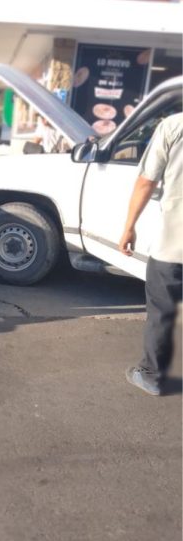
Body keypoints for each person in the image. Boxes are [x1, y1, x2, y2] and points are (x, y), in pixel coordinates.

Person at [119, 112, 182, 396]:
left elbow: (146, 181)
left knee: (162, 311)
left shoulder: (173, 126)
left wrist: (129, 227)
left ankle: (151, 376)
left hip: (174, 245)